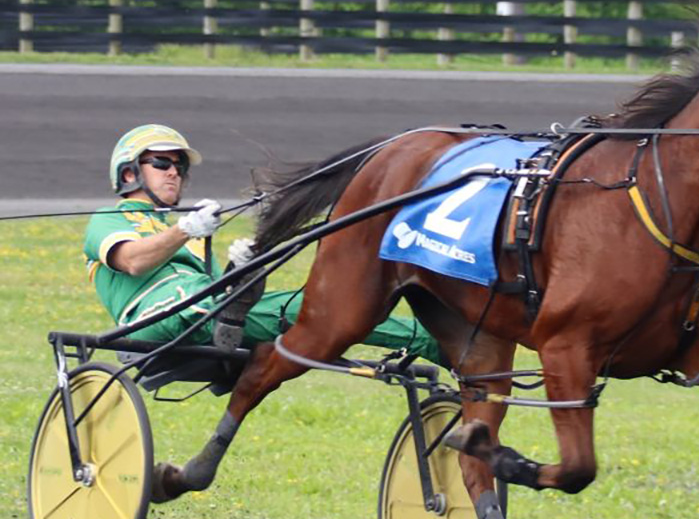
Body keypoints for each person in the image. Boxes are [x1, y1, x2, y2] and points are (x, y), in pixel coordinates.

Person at [83, 123, 444, 363]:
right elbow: (132, 261)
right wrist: (185, 230)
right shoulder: (110, 218)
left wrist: (238, 268)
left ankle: (435, 343)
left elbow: (204, 287)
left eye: (180, 166)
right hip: (150, 320)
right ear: (129, 173)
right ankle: (232, 307)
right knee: (201, 305)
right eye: (162, 163)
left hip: (202, 311)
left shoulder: (188, 235)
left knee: (321, 305)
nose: (174, 171)